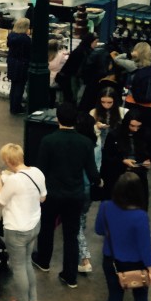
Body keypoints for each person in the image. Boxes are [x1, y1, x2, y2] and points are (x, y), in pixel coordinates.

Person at [33, 103, 101, 288]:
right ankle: (69, 275)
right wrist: (100, 182)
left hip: (52, 194)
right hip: (75, 195)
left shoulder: (48, 141)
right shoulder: (85, 143)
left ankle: (44, 260)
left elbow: (40, 170)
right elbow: (92, 172)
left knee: (47, 227)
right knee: (71, 235)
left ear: (58, 119)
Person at [95, 173, 151, 301]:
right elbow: (145, 246)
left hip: (111, 261)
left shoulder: (105, 207)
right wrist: (150, 269)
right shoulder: (140, 216)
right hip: (136, 264)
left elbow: (99, 230)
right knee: (141, 298)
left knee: (114, 298)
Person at [0, 144, 46, 301]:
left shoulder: (14, 180)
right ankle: (32, 300)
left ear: (7, 160)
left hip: (16, 228)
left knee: (18, 266)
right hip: (34, 225)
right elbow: (42, 197)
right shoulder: (37, 172)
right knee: (27, 262)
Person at [100, 110, 151, 207]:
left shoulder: (145, 135)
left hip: (138, 175)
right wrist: (122, 161)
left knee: (138, 205)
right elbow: (107, 157)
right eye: (132, 126)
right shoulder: (114, 135)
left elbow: (149, 155)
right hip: (118, 175)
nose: (135, 129)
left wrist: (148, 163)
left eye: (138, 126)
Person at [57, 33, 96, 105]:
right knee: (74, 96)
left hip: (72, 77)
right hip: (72, 77)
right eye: (95, 42)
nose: (96, 44)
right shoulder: (83, 52)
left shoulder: (81, 49)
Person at [7, 17, 32, 114]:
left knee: (14, 86)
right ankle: (16, 108)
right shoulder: (25, 39)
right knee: (19, 87)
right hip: (22, 65)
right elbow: (29, 53)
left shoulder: (11, 36)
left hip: (12, 63)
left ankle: (13, 106)